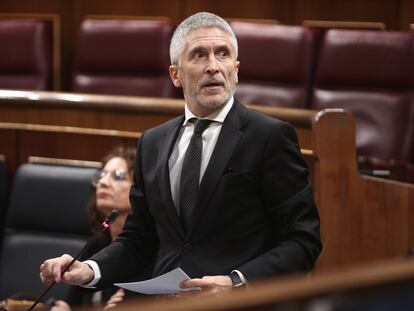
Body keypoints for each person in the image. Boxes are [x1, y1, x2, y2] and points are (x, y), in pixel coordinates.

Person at [40, 12, 322, 297]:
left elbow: (303, 240)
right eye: (199, 55)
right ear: (175, 74)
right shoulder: (152, 143)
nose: (213, 66)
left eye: (222, 54)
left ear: (235, 69)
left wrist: (236, 281)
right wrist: (90, 269)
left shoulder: (269, 137)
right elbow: (139, 240)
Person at [51, 146, 136, 311]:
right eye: (102, 176)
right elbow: (71, 303)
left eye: (118, 177)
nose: (103, 182)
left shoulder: (147, 255)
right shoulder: (96, 244)